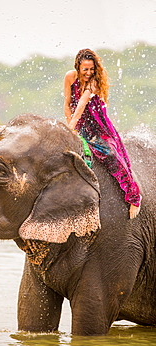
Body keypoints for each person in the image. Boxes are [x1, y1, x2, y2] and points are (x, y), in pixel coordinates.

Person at [64, 48, 141, 219]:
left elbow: (82, 104)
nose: (89, 73)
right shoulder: (70, 77)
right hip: (79, 124)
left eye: (92, 69)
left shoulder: (94, 83)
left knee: (111, 154)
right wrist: (71, 127)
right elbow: (68, 103)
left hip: (98, 126)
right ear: (78, 67)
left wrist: (70, 128)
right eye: (85, 69)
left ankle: (134, 197)